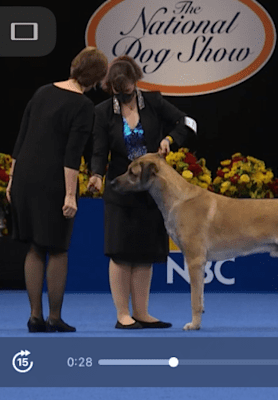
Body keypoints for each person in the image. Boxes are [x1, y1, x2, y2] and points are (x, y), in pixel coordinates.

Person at [88, 55, 197, 329]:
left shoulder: (155, 102)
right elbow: (99, 150)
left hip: (152, 191)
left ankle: (142, 312)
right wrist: (96, 176)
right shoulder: (102, 112)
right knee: (121, 251)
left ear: (135, 83)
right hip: (120, 188)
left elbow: (188, 122)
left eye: (126, 89)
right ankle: (122, 314)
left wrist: (169, 139)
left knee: (145, 252)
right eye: (116, 90)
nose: (122, 95)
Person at [7, 47, 108, 333]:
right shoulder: (82, 105)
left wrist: (11, 180)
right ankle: (54, 318)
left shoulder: (41, 92)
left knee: (36, 246)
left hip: (25, 176)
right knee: (58, 248)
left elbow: (21, 138)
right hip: (53, 180)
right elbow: (71, 154)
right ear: (97, 77)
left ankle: (34, 317)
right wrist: (69, 195)